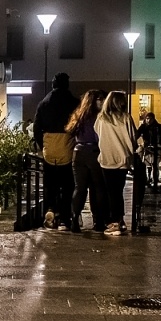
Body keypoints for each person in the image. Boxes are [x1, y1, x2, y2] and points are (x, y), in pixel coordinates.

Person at [33, 73, 80, 230]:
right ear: (67, 84)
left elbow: (36, 128)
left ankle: (50, 209)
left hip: (49, 148)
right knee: (68, 185)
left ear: (53, 84)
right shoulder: (74, 102)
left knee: (49, 184)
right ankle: (65, 217)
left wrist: (43, 144)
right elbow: (78, 124)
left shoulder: (43, 103)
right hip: (67, 146)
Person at [96, 91, 138, 235]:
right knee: (118, 191)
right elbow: (133, 137)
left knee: (110, 191)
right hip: (123, 159)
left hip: (107, 159)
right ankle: (119, 220)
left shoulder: (101, 118)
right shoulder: (126, 118)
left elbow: (97, 134)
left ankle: (115, 222)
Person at [66, 90, 106, 231]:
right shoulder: (99, 117)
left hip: (78, 153)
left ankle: (75, 219)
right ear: (94, 101)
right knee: (97, 188)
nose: (102, 102)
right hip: (94, 153)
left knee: (80, 188)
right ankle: (98, 221)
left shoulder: (78, 116)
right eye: (100, 99)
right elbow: (99, 138)